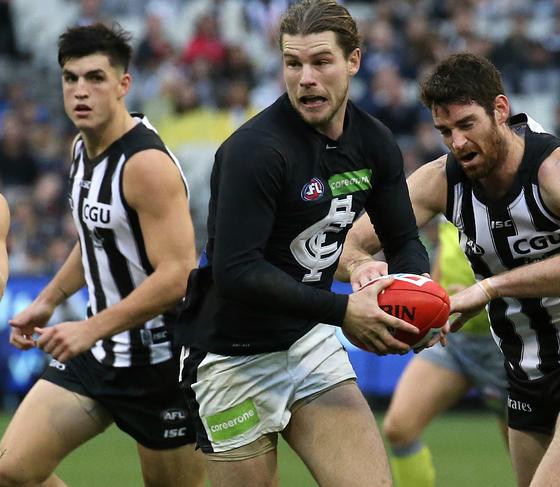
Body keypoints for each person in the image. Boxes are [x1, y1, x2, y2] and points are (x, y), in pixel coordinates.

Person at [338, 52, 560, 487]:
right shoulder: (441, 179)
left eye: (467, 125)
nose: (458, 143)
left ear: (500, 110)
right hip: (524, 367)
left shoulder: (558, 166)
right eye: (445, 131)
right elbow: (347, 244)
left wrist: (488, 289)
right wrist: (363, 271)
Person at [174, 1, 433, 486]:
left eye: (321, 62)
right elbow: (236, 272)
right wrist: (343, 311)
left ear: (354, 61)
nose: (306, 78)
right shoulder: (255, 150)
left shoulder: (374, 142)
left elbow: (403, 241)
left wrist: (417, 306)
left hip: (307, 341)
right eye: (293, 64)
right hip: (232, 357)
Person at [0, 23, 205, 487]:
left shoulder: (146, 166)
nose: (80, 91)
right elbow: (96, 236)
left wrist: (87, 328)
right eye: (70, 78)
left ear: (123, 84)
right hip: (97, 352)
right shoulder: (81, 148)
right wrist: (49, 299)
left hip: (160, 365)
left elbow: (178, 276)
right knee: (11, 470)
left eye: (95, 78)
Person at [384, 219, 508, 487]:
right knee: (399, 428)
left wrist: (479, 293)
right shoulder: (450, 193)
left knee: (532, 466)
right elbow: (445, 255)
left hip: (508, 343)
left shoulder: (514, 199)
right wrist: (435, 297)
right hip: (453, 338)